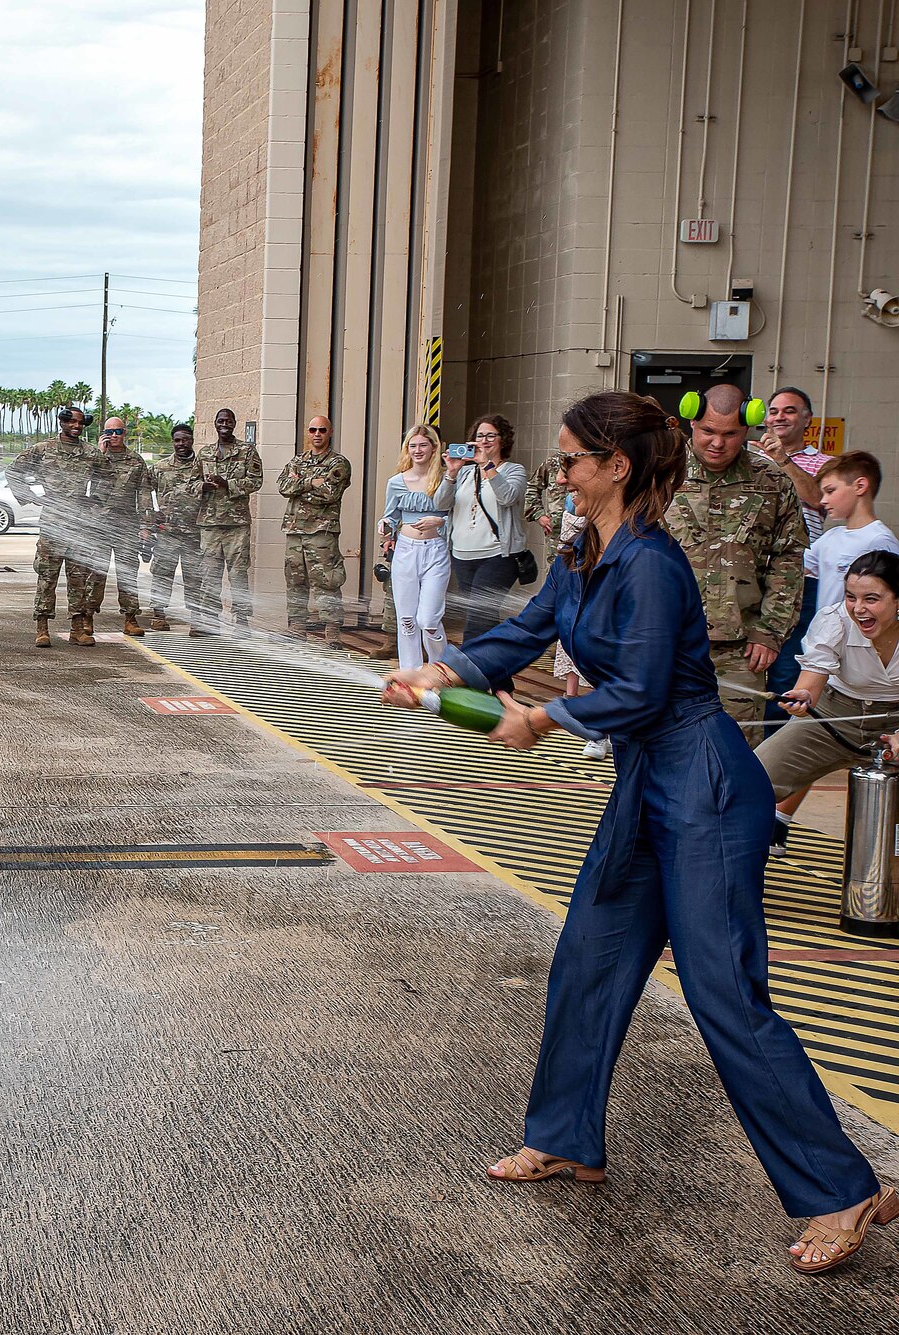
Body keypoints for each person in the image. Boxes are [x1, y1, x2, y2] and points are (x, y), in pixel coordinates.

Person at [382, 390, 895, 1276]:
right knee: (591, 955)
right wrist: (442, 667)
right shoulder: (584, 548)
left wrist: (541, 722)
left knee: (722, 990)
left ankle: (839, 1188)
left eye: (574, 459)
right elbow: (532, 629)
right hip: (646, 784)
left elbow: (647, 692)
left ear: (616, 466)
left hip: (700, 785)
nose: (562, 473)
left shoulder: (654, 564)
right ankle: (565, 1134)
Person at [663, 383, 808, 739]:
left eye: (730, 434)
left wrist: (771, 632)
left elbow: (788, 560)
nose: (717, 443)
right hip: (664, 643)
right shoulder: (660, 474)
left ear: (747, 428)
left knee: (736, 753)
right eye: (708, 431)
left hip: (741, 649)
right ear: (692, 423)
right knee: (660, 747)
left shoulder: (772, 481)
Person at [758, 551, 899, 855]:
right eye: (851, 597)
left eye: (871, 599)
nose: (858, 609)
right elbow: (810, 683)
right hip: (832, 717)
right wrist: (802, 697)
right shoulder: (834, 619)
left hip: (895, 721)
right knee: (750, 779)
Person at [755, 388, 826, 717]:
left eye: (790, 411)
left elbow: (817, 499)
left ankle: (773, 755)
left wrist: (783, 459)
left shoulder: (825, 463)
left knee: (785, 670)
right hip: (749, 577)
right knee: (743, 666)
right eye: (774, 411)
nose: (779, 417)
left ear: (807, 419)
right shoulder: (751, 458)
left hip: (800, 580)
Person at [10, 407, 96, 648]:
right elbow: (13, 471)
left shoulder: (90, 453)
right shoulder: (43, 450)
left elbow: (109, 476)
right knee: (47, 578)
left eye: (80, 422)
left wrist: (95, 499)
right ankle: (42, 627)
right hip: (53, 524)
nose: (77, 426)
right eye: (72, 422)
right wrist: (30, 497)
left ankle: (77, 629)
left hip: (79, 525)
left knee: (78, 579)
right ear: (62, 423)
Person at [376, 423, 453, 672]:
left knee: (428, 619)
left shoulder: (447, 477)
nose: (417, 450)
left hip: (435, 550)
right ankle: (411, 673)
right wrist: (385, 524)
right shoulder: (396, 482)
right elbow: (391, 516)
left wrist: (439, 520)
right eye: (413, 445)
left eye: (423, 445)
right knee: (407, 619)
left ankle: (440, 669)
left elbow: (458, 514)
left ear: (433, 447)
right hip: (406, 550)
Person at [447, 414, 529, 641]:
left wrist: (487, 465)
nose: (483, 440)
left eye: (490, 435)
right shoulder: (464, 472)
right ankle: (496, 674)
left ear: (503, 440)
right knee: (483, 618)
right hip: (463, 555)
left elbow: (508, 497)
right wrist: (451, 474)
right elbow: (441, 504)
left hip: (497, 556)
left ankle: (467, 671)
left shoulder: (514, 470)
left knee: (478, 620)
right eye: (479, 436)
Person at [277, 414, 351, 646]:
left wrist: (298, 484)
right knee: (295, 581)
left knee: (326, 582)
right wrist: (311, 482)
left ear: (330, 433)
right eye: (312, 430)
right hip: (295, 531)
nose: (316, 434)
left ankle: (332, 632)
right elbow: (282, 486)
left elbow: (329, 493)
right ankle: (297, 628)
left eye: (321, 430)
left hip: (322, 533)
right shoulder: (298, 460)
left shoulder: (338, 463)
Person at [78, 417, 152, 642]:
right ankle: (87, 617)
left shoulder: (136, 461)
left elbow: (145, 495)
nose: (114, 435)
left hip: (126, 525)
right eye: (109, 431)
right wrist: (98, 455)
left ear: (125, 433)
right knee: (95, 572)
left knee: (128, 573)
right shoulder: (95, 458)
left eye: (118, 431)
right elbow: (81, 483)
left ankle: (130, 618)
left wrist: (146, 526)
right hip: (99, 525)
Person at [196, 407, 265, 635]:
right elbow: (191, 483)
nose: (224, 424)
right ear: (215, 423)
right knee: (210, 574)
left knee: (238, 575)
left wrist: (227, 484)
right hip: (210, 524)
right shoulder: (204, 453)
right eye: (220, 420)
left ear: (234, 423)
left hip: (236, 525)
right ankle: (209, 621)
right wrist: (202, 486)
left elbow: (256, 481)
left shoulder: (247, 452)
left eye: (228, 420)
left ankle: (242, 621)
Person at [807, 452, 899, 614]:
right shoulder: (830, 536)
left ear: (860, 486)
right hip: (822, 634)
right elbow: (795, 568)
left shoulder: (880, 540)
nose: (823, 501)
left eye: (830, 491)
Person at [146, 423, 205, 632]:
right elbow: (143, 492)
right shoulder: (160, 468)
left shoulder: (203, 467)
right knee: (162, 573)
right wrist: (150, 515)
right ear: (173, 442)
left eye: (185, 439)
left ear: (192, 440)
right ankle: (158, 614)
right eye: (177, 440)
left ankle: (196, 618)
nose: (181, 444)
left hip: (195, 533)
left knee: (195, 577)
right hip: (167, 533)